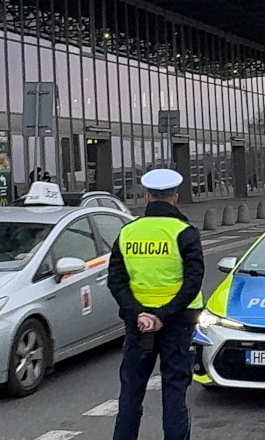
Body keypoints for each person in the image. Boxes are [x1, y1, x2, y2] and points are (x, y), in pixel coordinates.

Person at [108, 169, 204, 440]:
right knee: (174, 392)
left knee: (130, 394)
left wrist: (139, 314)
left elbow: (116, 281)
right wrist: (163, 315)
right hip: (177, 325)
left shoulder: (128, 232)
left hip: (138, 326)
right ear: (175, 197)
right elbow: (193, 282)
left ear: (147, 196)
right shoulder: (184, 232)